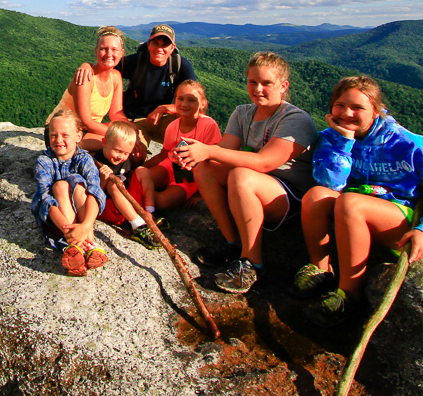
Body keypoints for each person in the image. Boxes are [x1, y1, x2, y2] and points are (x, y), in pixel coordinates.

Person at [295, 76, 423, 326]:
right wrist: (344, 141)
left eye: (358, 108)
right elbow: (329, 183)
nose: (347, 113)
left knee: (350, 202)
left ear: (376, 110)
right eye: (340, 105)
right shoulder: (331, 138)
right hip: (351, 213)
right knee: (316, 196)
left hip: (395, 219)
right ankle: (320, 269)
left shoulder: (407, 143)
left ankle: (348, 297)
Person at [177, 52, 317, 294]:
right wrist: (195, 154)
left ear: (283, 86)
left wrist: (208, 150)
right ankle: (232, 242)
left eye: (266, 83)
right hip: (256, 185)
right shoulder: (243, 113)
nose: (258, 88)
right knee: (206, 169)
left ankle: (252, 262)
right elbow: (223, 151)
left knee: (240, 175)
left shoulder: (296, 120)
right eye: (253, 82)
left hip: (289, 197)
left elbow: (264, 162)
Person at [75, 24, 197, 145]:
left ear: (172, 47)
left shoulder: (180, 65)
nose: (160, 48)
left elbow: (197, 102)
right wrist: (87, 65)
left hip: (165, 119)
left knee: (190, 128)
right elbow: (106, 63)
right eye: (155, 43)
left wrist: (167, 108)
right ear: (148, 44)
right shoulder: (136, 61)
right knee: (135, 155)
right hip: (136, 120)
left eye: (165, 44)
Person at [31, 109, 110, 276]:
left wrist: (86, 225)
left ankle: (80, 248)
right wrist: (70, 232)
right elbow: (45, 200)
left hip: (83, 222)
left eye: (65, 135)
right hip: (57, 221)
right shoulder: (44, 162)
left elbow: (96, 192)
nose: (59, 140)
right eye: (53, 135)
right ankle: (81, 246)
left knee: (80, 186)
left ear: (78, 137)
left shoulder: (85, 159)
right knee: (59, 186)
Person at [132, 80, 221, 213]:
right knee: (140, 180)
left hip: (191, 177)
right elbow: (163, 155)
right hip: (169, 166)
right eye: (180, 99)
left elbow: (215, 161)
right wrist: (137, 171)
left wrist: (201, 194)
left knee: (162, 202)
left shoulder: (208, 126)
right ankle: (142, 202)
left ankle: (141, 202)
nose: (185, 104)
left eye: (191, 100)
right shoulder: (173, 126)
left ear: (203, 104)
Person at [47, 26, 130, 154]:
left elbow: (116, 113)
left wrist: (128, 129)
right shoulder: (86, 77)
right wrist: (119, 135)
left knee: (125, 143)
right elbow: (85, 122)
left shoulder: (116, 77)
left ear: (121, 53)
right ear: (96, 51)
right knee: (117, 144)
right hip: (60, 132)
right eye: (103, 49)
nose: (109, 54)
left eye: (114, 50)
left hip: (87, 132)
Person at [93, 120, 161, 249]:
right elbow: (93, 197)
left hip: (127, 203)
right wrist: (102, 180)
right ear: (104, 143)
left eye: (126, 153)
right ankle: (138, 226)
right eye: (118, 151)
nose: (121, 157)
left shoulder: (124, 159)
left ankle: (149, 213)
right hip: (108, 208)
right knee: (113, 184)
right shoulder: (96, 162)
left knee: (143, 171)